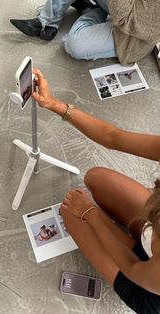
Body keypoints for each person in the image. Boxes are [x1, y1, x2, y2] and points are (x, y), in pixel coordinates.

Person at [32, 68, 160, 313]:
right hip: (153, 236)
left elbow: (133, 268)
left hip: (145, 283)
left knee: (72, 211)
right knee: (97, 178)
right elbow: (115, 137)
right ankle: (140, 232)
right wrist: (55, 105)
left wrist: (92, 215)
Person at [10, 0, 160, 65]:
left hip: (133, 33)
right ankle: (46, 24)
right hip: (124, 7)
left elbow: (126, 19)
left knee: (75, 45)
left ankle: (91, 10)